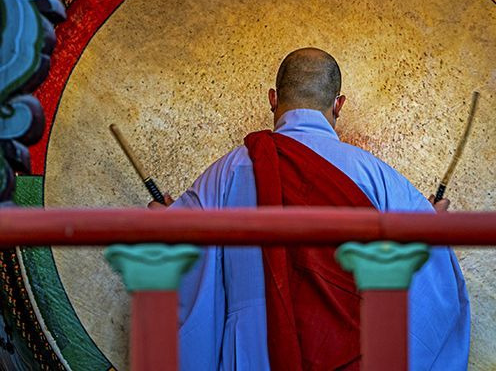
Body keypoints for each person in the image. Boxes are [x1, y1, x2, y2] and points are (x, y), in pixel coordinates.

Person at [150, 48, 470, 370]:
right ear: (338, 105)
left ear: (273, 99)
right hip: (350, 352)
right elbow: (433, 284)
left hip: (250, 349)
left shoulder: (227, 173)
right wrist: (428, 228)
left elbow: (180, 260)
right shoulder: (376, 177)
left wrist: (168, 225)